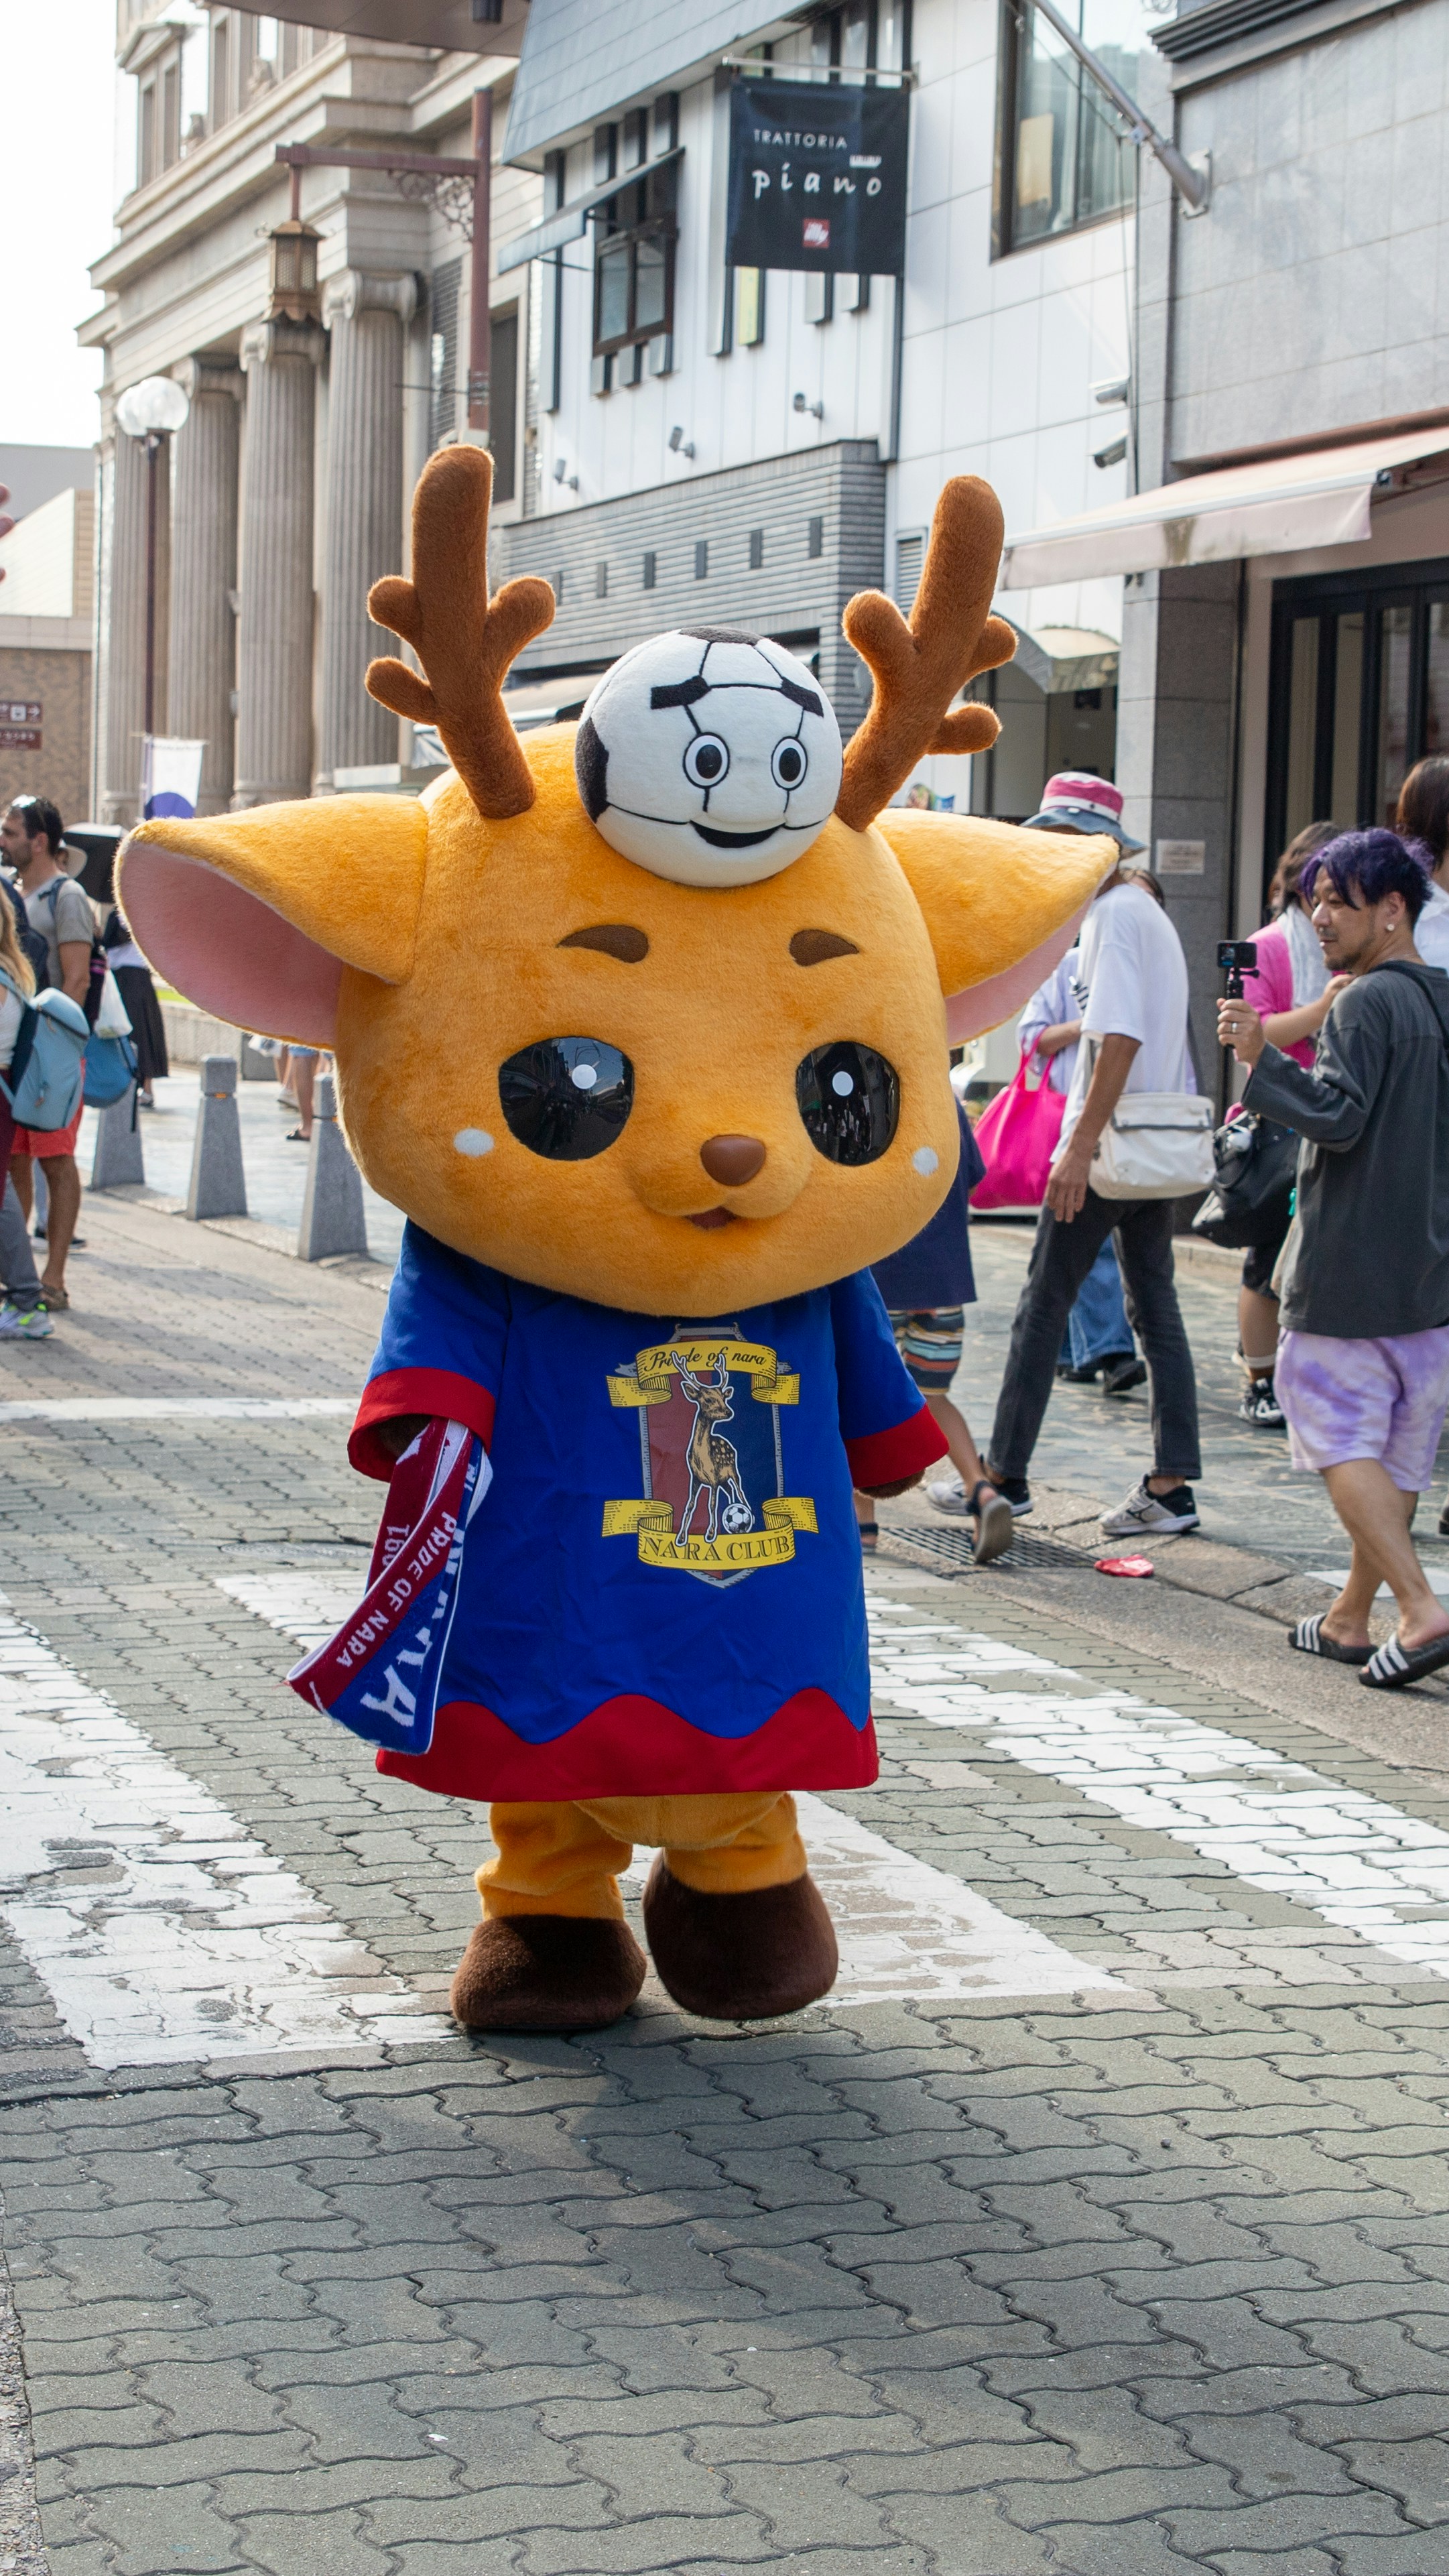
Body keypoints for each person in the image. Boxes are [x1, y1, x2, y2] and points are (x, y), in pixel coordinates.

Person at [1219, 828, 1449, 1689]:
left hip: (1350, 1264)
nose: (1317, 917)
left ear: (1391, 908)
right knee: (1394, 1451)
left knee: (1329, 1424)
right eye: (1313, 898)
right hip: (1428, 1274)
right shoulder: (1439, 998)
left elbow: (1340, 1116)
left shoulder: (1362, 1003)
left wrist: (1259, 1057)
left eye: (1337, 901)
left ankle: (1420, 1608)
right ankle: (1351, 1618)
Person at [984, 855, 1203, 1537]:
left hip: (1107, 1148)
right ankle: (1170, 1486)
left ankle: (1003, 1478)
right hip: (1148, 1148)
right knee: (1154, 1308)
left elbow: (1119, 1037)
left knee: (1042, 1304)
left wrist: (1076, 1146)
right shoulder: (1146, 912)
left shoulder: (1111, 915)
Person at [862, 1097, 1014, 1562]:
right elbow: (973, 1174)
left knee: (862, 1398)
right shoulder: (943, 1102)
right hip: (945, 1285)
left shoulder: (866, 1097)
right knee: (933, 1396)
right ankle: (980, 1488)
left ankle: (862, 1522)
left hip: (880, 1284)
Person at [1233, 821, 1349, 1428]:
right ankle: (1260, 1375)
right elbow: (1252, 1035)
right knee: (1268, 1258)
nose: (1329, 908)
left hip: (1334, 1120)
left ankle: (1309, 1375)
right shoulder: (1268, 946)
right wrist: (1323, 1008)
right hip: (1279, 1124)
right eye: (1323, 891)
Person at [1018, 948, 1144, 1396]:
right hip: (1070, 1123)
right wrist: (1087, 1026)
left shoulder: (1138, 966)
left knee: (1079, 1241)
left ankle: (1073, 1352)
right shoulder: (1066, 966)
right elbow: (1031, 1038)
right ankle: (1112, 1350)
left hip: (1123, 1120)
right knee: (1086, 1237)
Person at [0, 796, 92, 1311]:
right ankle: (21, 1275)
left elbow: (75, 979)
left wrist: (55, 1052)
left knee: (57, 1160)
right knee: (14, 1159)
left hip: (53, 1054)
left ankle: (53, 1275)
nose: (4, 840)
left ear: (39, 840)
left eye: (12, 832)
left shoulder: (68, 895)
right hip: (20, 1053)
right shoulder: (13, 892)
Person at [0, 890, 53, 1339]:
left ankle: (25, 1299)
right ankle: (23, 1297)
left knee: (1, 1202)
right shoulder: (12, 973)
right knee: (3, 1200)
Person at [103, 904, 168, 1108]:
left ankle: (146, 1088)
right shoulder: (119, 913)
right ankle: (125, 1085)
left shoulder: (139, 912)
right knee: (121, 1034)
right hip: (118, 977)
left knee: (140, 1033)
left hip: (135, 977)